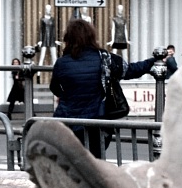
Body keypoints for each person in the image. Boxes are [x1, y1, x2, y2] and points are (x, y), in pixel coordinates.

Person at [51, 17, 155, 159]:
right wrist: (153, 61)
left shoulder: (61, 63)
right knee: (93, 163)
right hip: (96, 123)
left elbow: (55, 88)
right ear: (91, 37)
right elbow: (130, 70)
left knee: (70, 163)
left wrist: (69, 95)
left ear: (68, 38)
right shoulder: (105, 58)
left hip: (67, 123)